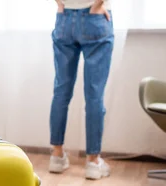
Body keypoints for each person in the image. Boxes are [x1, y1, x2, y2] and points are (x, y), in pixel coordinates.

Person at [48, 0, 114, 180]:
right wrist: (97, 5)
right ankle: (93, 162)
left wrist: (61, 5)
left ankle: (56, 155)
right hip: (95, 18)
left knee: (61, 90)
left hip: (64, 19)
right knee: (94, 94)